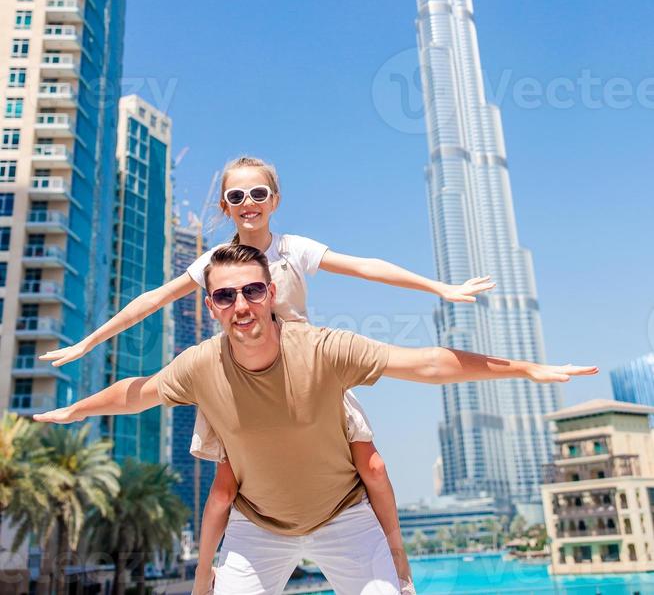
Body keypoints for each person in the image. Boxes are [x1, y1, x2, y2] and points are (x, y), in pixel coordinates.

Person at [40, 156, 495, 594]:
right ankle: (217, 570)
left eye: (258, 191)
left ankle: (393, 556)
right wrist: (89, 342)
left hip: (307, 380)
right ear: (225, 206)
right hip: (242, 386)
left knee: (371, 465)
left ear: (274, 198)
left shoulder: (292, 248)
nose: (248, 201)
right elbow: (154, 298)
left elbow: (365, 267)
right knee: (228, 487)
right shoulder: (216, 261)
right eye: (236, 194)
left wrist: (439, 287)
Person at [35, 243, 598, 595]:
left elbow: (426, 363)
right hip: (258, 529)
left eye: (253, 290)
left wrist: (526, 369)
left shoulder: (324, 347)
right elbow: (138, 393)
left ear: (271, 292)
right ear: (210, 306)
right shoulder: (200, 364)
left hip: (344, 519)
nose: (241, 306)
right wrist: (77, 408)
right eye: (225, 296)